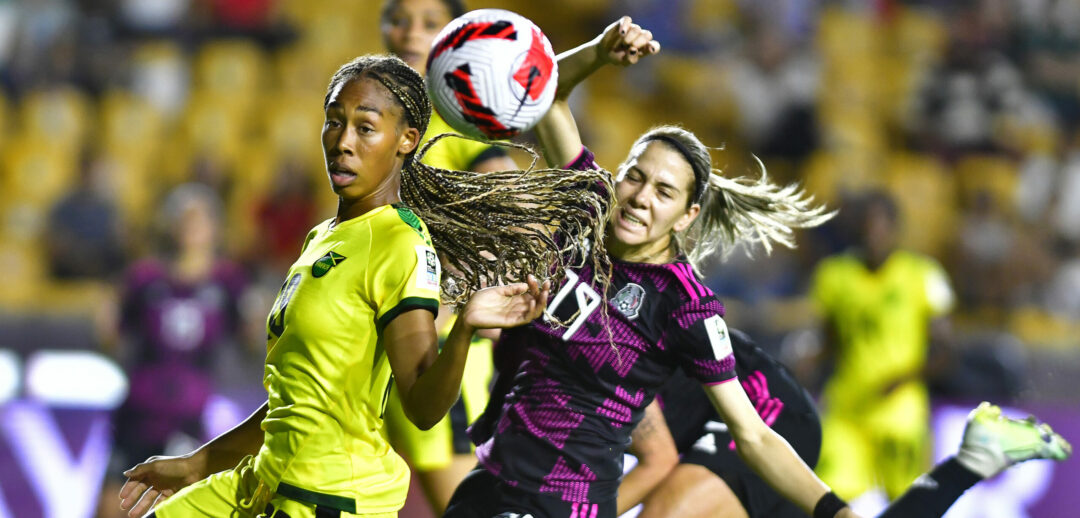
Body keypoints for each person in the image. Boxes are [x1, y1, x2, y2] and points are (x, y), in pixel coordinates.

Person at [115, 54, 615, 518]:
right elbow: (300, 396)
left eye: (366, 127)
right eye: (334, 121)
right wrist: (199, 463)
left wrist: (462, 330)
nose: (343, 140)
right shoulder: (323, 237)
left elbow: (421, 405)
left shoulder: (399, 242)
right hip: (264, 478)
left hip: (327, 497)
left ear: (406, 140)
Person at [445, 17, 857, 518]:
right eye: (634, 178)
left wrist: (836, 511)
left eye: (664, 192)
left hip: (565, 503)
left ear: (687, 216)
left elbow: (752, 435)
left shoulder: (685, 304)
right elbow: (548, 98)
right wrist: (598, 52)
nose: (640, 199)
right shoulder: (587, 209)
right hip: (490, 482)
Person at [617, 328, 1073, 518]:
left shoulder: (587, 352)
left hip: (757, 400)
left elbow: (658, 460)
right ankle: (974, 460)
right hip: (698, 423)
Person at [378, 0, 521, 512]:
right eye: (399, 18)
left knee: (463, 508)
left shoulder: (459, 118)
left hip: (438, 354)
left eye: (430, 23)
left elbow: (516, 210)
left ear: (452, 40)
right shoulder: (370, 120)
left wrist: (461, 290)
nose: (411, 32)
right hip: (380, 345)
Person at [98, 183, 251, 518]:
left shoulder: (228, 281)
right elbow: (112, 334)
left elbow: (253, 340)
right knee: (112, 503)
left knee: (171, 507)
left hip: (187, 415)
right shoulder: (144, 277)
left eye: (199, 220)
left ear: (215, 227)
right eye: (185, 219)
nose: (191, 228)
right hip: (138, 412)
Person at [809, 190, 955, 501]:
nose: (871, 235)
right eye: (865, 227)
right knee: (830, 497)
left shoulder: (922, 275)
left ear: (894, 229)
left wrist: (903, 378)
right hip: (847, 409)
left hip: (898, 412)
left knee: (908, 502)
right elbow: (829, 340)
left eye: (879, 226)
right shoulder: (834, 276)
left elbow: (945, 352)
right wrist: (806, 361)